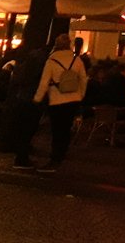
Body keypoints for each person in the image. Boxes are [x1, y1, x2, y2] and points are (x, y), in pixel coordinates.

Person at [32, 34, 87, 172]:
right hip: (73, 99)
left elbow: (44, 83)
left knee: (57, 129)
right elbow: (83, 79)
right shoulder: (77, 60)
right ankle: (62, 153)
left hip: (57, 99)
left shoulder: (52, 60)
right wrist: (80, 95)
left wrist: (37, 98)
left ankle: (55, 157)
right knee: (66, 128)